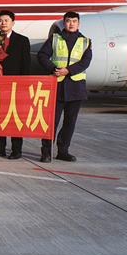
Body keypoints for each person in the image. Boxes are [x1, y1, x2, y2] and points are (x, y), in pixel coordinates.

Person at [37, 11, 92, 162]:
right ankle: (46, 152)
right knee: (51, 122)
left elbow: (85, 62)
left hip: (75, 88)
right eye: (68, 21)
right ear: (64, 22)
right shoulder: (55, 38)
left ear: (78, 23)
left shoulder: (85, 42)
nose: (71, 24)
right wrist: (53, 69)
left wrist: (68, 71)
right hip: (57, 86)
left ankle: (63, 150)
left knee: (70, 122)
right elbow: (42, 55)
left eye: (74, 21)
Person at [0, 10, 31, 160]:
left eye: (6, 20)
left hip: (15, 86)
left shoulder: (22, 40)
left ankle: (16, 149)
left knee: (15, 118)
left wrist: (24, 86)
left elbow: (26, 65)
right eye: (0, 20)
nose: (3, 23)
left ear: (13, 23)